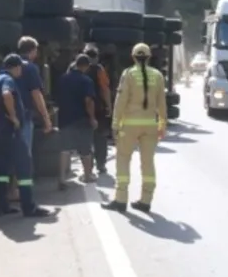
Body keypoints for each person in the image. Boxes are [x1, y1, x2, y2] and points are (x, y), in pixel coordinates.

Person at [103, 43, 168, 214]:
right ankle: (146, 201)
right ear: (149, 57)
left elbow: (121, 101)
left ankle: (120, 199)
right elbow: (162, 103)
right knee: (148, 163)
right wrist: (162, 124)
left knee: (123, 160)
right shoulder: (158, 75)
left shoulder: (128, 74)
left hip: (129, 125)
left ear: (132, 57)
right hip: (150, 126)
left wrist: (115, 124)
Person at [0, 54, 52, 218]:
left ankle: (1, 206)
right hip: (12, 131)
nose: (20, 72)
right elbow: (7, 94)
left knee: (3, 170)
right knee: (24, 167)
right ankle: (29, 207)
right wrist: (14, 117)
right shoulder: (8, 80)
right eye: (20, 69)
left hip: (1, 131)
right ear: (15, 67)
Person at [55, 54, 99, 188]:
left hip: (65, 118)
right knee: (85, 149)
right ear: (86, 66)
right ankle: (87, 176)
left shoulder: (63, 79)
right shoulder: (86, 81)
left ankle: (62, 179)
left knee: (65, 150)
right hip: (82, 120)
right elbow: (88, 101)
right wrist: (92, 118)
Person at [81, 47, 113, 175]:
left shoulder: (75, 67)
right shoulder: (99, 69)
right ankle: (101, 164)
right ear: (96, 57)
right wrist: (109, 106)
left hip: (81, 108)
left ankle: (87, 167)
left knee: (84, 138)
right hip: (98, 107)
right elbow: (104, 89)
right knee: (100, 137)